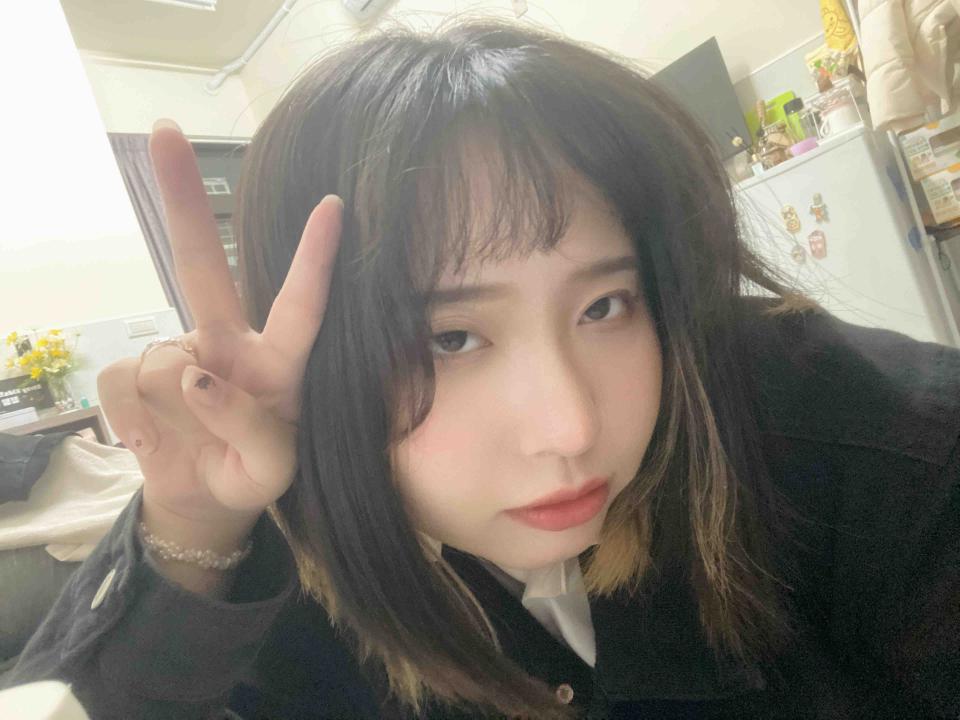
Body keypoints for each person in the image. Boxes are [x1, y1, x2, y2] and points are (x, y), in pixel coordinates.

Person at [3, 17, 959, 720]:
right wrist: (193, 527)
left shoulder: (837, 435)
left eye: (604, 306)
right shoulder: (275, 554)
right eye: (449, 339)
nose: (570, 427)